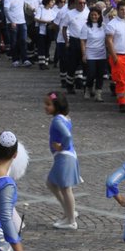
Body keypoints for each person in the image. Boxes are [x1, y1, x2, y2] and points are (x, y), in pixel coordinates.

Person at [44, 92, 80, 229]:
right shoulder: (65, 118)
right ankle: (69, 212)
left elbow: (67, 136)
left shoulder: (57, 120)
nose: (45, 107)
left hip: (64, 156)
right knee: (51, 183)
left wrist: (62, 146)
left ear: (57, 106)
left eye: (48, 104)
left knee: (65, 188)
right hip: (67, 156)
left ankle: (71, 220)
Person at [3, 0, 28, 65]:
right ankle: (15, 59)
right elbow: (6, 10)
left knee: (23, 41)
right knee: (13, 41)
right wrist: (11, 21)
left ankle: (25, 59)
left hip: (22, 21)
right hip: (13, 22)